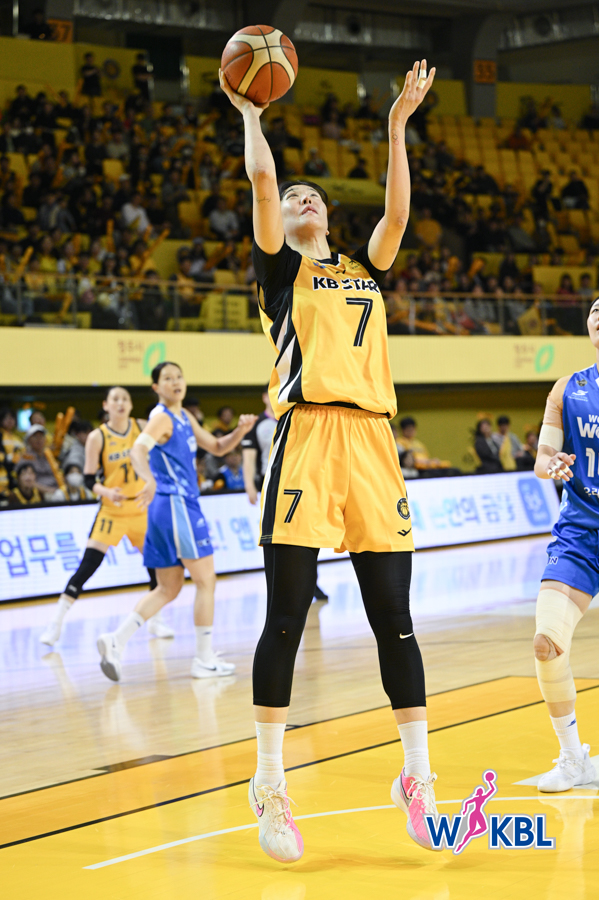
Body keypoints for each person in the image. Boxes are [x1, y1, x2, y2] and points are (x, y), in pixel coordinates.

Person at [220, 57, 440, 862]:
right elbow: (261, 181)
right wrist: (251, 115)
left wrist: (396, 126)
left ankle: (418, 778)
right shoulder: (281, 272)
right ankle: (270, 783)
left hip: (373, 444)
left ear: (328, 216)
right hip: (307, 440)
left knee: (396, 621)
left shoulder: (364, 268)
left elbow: (398, 211)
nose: (302, 200)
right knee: (285, 617)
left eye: (313, 197)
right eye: (294, 199)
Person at [96, 362, 257, 682]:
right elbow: (137, 451)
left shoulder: (184, 417)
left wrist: (240, 431)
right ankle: (204, 659)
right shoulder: (162, 418)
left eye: (179, 376)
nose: (175, 382)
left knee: (167, 588)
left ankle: (116, 640)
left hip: (164, 509)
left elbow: (217, 446)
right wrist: (149, 479)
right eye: (167, 378)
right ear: (156, 387)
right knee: (206, 581)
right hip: (177, 504)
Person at [530, 296, 599, 792]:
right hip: (579, 532)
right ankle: (573, 758)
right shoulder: (567, 388)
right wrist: (552, 463)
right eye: (596, 310)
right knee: (546, 643)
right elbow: (542, 457)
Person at [39, 387, 171, 646]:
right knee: (88, 565)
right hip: (112, 510)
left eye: (125, 399)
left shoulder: (142, 427)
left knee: (157, 567)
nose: (120, 403)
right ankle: (56, 623)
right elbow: (89, 479)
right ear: (106, 405)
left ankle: (156, 620)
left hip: (141, 508)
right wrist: (107, 492)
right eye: (115, 399)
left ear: (130, 405)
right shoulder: (97, 436)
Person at [241, 390, 329, 603]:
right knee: (278, 539)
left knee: (307, 535)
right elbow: (249, 458)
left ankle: (311, 584)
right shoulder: (258, 424)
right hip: (273, 484)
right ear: (264, 396)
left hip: (301, 481)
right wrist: (249, 485)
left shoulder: (298, 415)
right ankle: (282, 591)